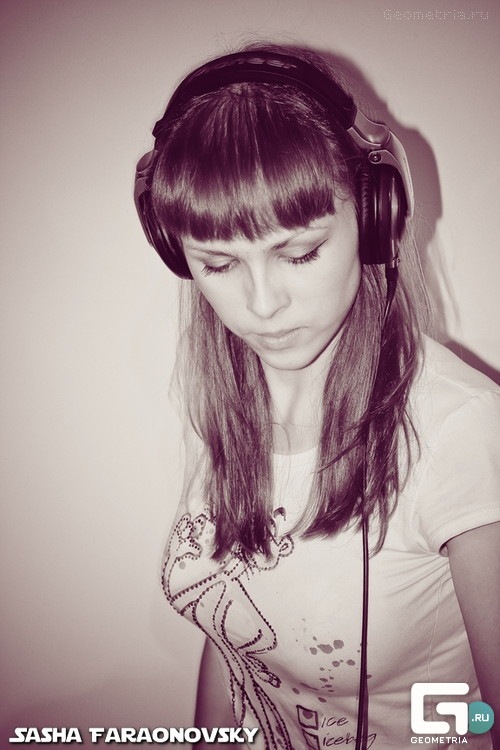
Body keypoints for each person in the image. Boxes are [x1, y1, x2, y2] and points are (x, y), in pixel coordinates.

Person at [134, 44, 500, 750]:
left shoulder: (462, 429)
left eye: (299, 252)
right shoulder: (233, 401)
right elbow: (234, 642)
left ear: (375, 217)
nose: (261, 304)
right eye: (218, 263)